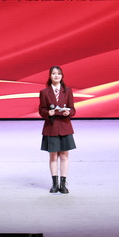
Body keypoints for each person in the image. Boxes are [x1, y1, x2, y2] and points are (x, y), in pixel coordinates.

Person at [38, 65, 76, 194]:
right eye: (54, 73)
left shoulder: (68, 91)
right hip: (51, 127)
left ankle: (63, 184)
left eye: (59, 73)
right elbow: (41, 111)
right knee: (53, 156)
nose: (56, 76)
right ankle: (54, 184)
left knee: (64, 156)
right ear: (50, 76)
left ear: (62, 76)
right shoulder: (44, 92)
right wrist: (48, 113)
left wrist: (69, 112)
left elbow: (73, 109)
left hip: (65, 127)